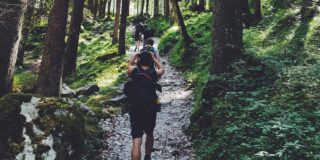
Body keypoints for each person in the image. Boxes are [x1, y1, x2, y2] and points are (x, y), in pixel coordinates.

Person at [128, 51, 164, 160]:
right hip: (150, 109)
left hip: (135, 108)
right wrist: (154, 58)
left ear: (139, 60)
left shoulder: (134, 71)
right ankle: (147, 157)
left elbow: (129, 64)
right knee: (149, 133)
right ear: (150, 61)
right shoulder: (154, 73)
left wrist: (135, 56)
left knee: (136, 139)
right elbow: (162, 68)